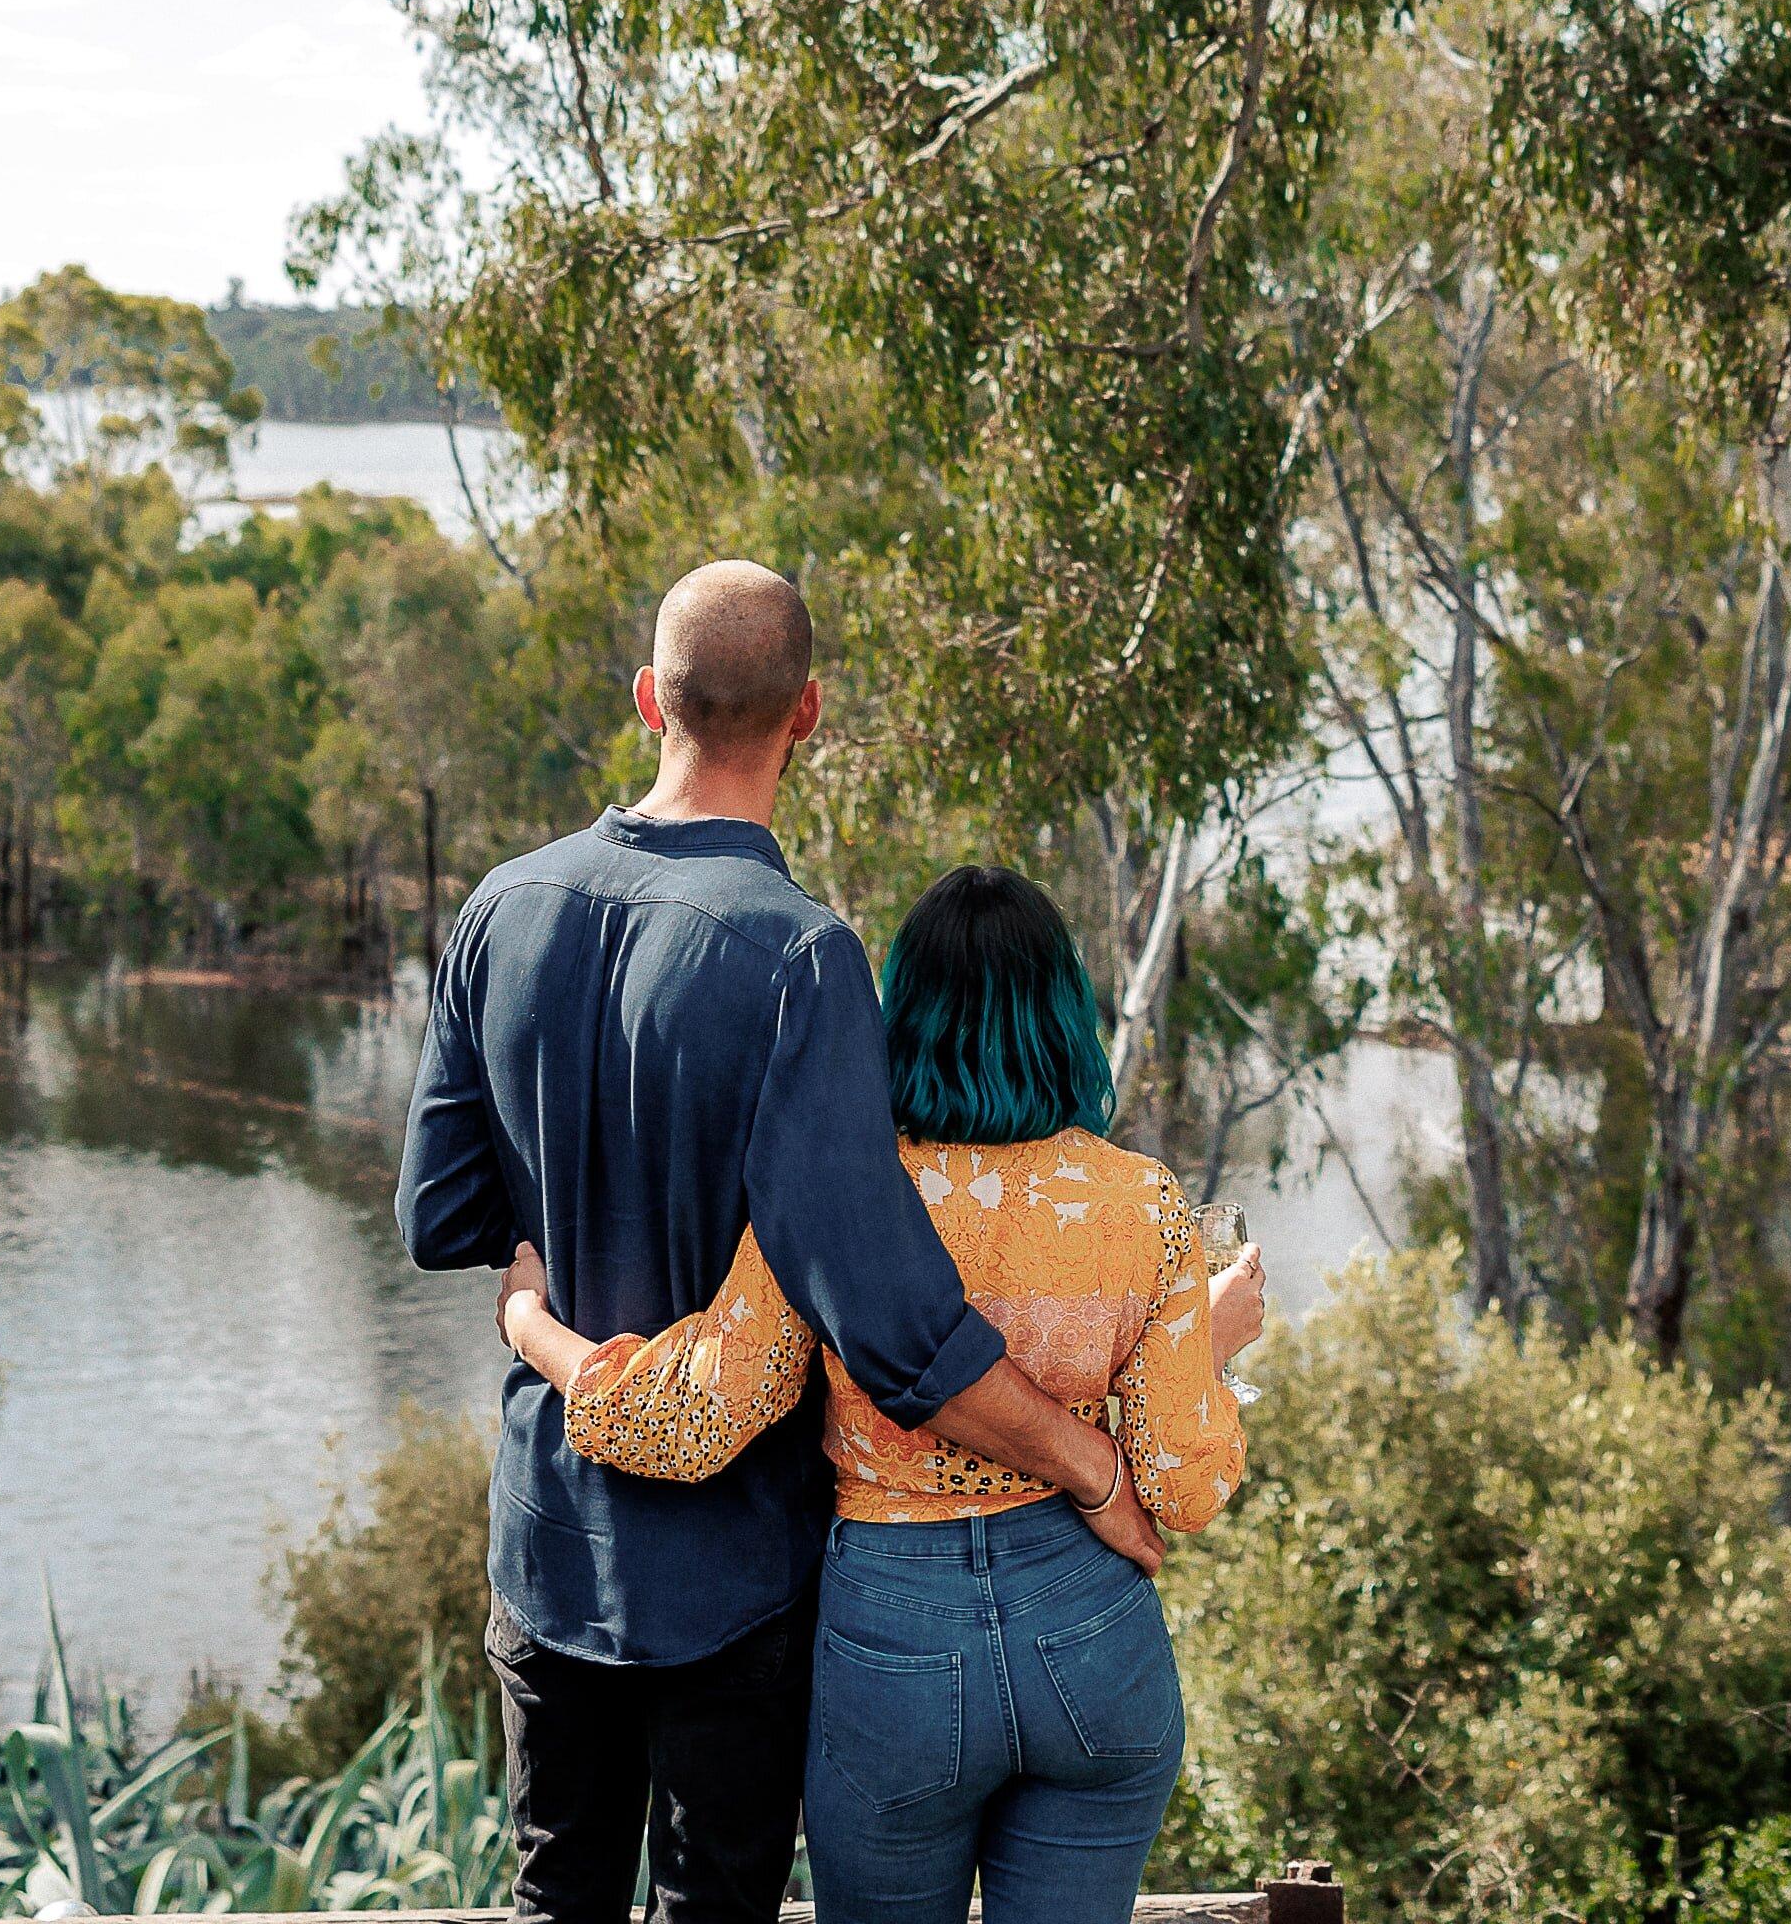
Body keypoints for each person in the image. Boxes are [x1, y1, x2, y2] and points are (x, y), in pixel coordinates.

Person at [399, 563, 1163, 1924]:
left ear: (649, 700)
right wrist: (1089, 1465)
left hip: (549, 1544)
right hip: (734, 1575)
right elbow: (892, 1319)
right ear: (807, 715)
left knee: (548, 1899)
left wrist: (545, 1299)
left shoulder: (499, 912)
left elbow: (439, 1217)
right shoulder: (800, 959)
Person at [502, 864, 1265, 1924]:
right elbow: (1184, 1490)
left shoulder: (843, 1194)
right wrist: (1211, 1347)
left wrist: (530, 1325)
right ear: (1065, 1019)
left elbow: (688, 1421)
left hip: (895, 1653)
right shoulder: (1146, 1206)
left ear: (898, 1017)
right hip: (1093, 1637)